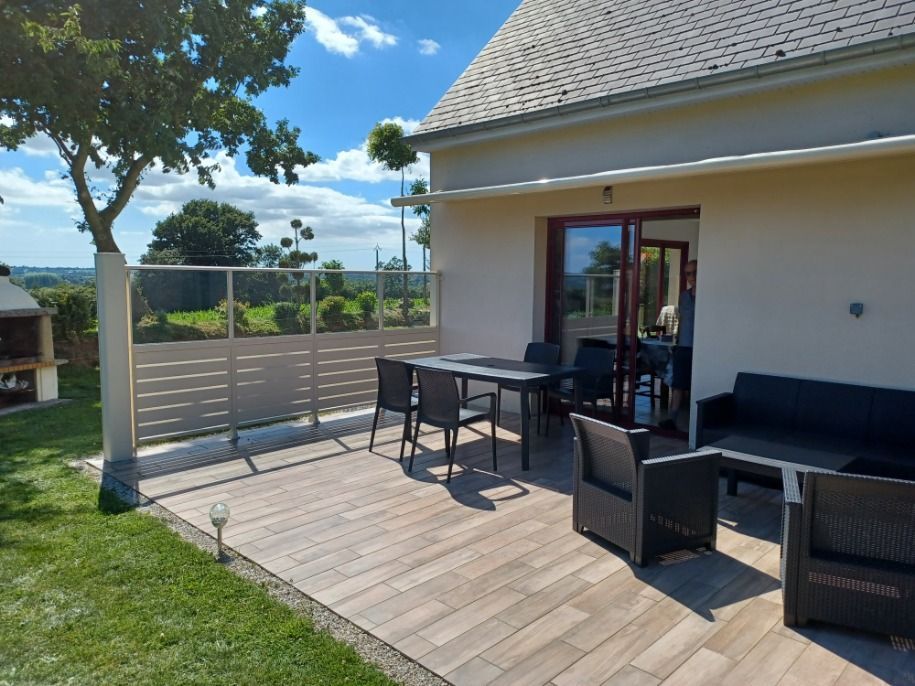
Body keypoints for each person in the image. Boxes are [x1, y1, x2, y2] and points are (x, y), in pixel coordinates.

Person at [659, 260, 696, 431]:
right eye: (688, 273)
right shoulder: (683, 296)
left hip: (701, 348)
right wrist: (676, 341)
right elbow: (682, 321)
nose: (692, 277)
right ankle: (672, 420)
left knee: (696, 384)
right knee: (677, 384)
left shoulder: (709, 295)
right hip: (684, 346)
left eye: (695, 272)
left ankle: (696, 423)